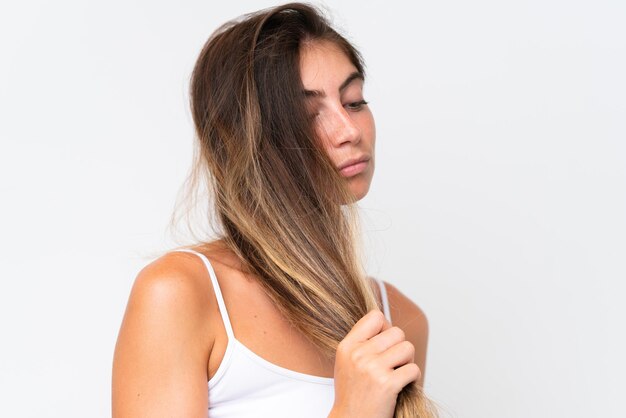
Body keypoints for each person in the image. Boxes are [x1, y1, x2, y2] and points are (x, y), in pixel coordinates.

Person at [112, 3, 438, 417]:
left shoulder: (400, 320)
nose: (349, 131)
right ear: (249, 142)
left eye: (354, 101)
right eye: (308, 115)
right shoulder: (180, 293)